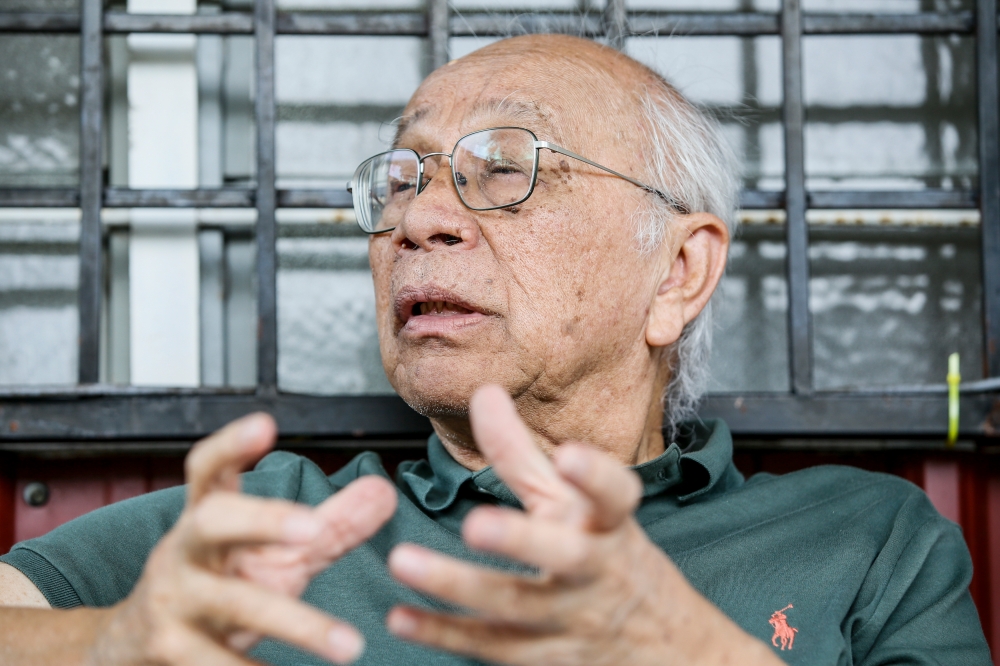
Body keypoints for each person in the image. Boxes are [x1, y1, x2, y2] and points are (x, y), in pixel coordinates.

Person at [0, 34, 990, 666]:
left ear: (678, 273)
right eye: (401, 178)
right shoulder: (268, 521)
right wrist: (106, 643)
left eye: (508, 171)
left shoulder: (866, 539)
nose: (419, 218)